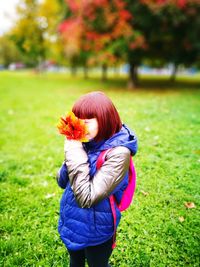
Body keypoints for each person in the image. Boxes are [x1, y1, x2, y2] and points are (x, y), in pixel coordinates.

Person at [57, 91, 138, 267]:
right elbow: (61, 181)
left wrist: (74, 152)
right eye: (78, 121)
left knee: (97, 264)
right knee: (75, 261)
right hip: (71, 220)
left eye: (87, 121)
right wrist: (71, 153)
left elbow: (87, 198)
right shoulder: (85, 143)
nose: (80, 126)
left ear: (105, 119)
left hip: (97, 229)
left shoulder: (119, 154)